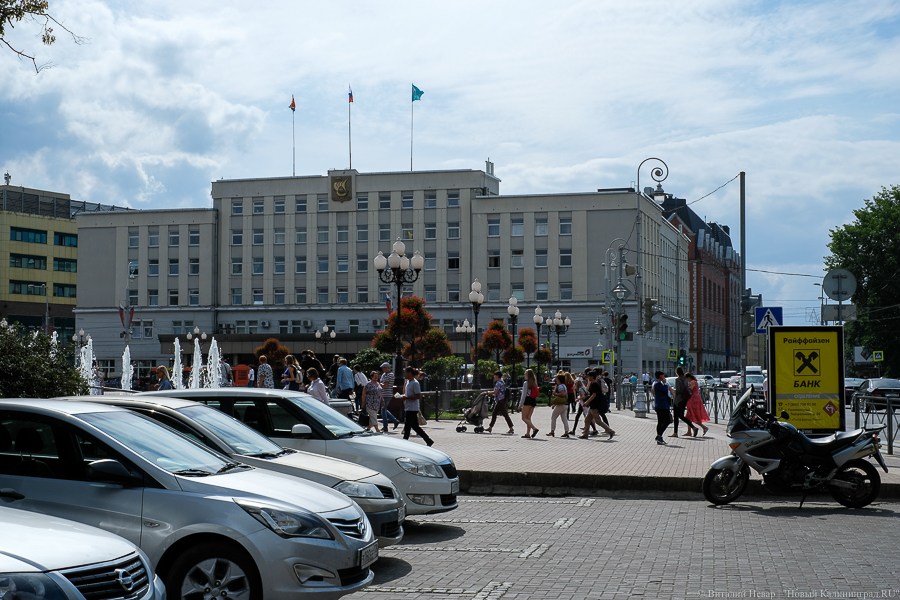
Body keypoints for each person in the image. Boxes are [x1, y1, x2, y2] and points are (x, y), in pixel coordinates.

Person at [399, 367, 434, 446]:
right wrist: (403, 397)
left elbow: (418, 396)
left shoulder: (415, 383)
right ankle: (428, 440)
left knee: (407, 426)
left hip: (413, 408)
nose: (405, 374)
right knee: (415, 426)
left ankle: (404, 442)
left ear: (410, 373)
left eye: (406, 373)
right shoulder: (408, 382)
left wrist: (407, 398)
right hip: (408, 407)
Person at [580, 370, 615, 439]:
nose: (587, 377)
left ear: (592, 377)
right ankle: (585, 434)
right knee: (587, 420)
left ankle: (611, 431)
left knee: (598, 421)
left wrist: (586, 402)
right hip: (593, 405)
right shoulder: (593, 384)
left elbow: (594, 395)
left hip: (595, 405)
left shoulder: (595, 385)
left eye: (589, 376)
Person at [670, 366, 696, 438]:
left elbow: (678, 390)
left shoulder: (677, 380)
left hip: (678, 399)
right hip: (684, 399)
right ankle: (693, 427)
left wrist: (674, 389)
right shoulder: (685, 380)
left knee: (676, 416)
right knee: (681, 415)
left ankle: (675, 432)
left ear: (677, 372)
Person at [652, 371, 672, 445]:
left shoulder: (658, 384)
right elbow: (665, 390)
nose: (664, 377)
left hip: (661, 405)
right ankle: (659, 436)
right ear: (660, 376)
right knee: (667, 420)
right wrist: (665, 383)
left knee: (660, 422)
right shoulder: (658, 384)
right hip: (662, 405)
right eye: (663, 375)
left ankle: (659, 438)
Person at [547, 373, 571, 437]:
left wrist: (556, 393)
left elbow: (562, 394)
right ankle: (566, 431)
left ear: (559, 380)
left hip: (561, 405)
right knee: (564, 419)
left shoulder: (560, 386)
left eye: (557, 379)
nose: (556, 380)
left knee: (553, 417)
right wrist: (554, 404)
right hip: (565, 404)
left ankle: (552, 431)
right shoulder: (564, 385)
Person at [379, 363, 400, 430]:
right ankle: (394, 420)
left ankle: (385, 426)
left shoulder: (387, 375)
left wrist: (380, 384)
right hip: (389, 394)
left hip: (385, 394)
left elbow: (385, 385)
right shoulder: (390, 375)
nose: (383, 369)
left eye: (383, 368)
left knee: (383, 410)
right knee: (384, 410)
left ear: (386, 368)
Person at [519, 369, 540, 438]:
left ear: (528, 375)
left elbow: (524, 395)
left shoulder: (526, 383)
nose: (525, 375)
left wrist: (520, 404)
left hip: (527, 401)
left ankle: (534, 429)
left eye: (525, 374)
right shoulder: (534, 383)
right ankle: (527, 433)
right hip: (533, 401)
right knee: (528, 418)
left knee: (524, 418)